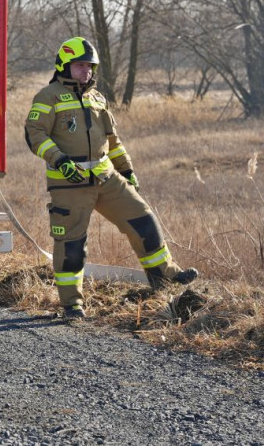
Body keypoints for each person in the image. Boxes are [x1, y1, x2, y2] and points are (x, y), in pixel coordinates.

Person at [23, 37, 198, 319]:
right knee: (72, 246)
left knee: (144, 221)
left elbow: (113, 140)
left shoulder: (97, 98)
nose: (87, 71)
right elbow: (35, 135)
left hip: (107, 178)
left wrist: (126, 170)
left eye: (90, 67)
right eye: (80, 66)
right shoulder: (48, 96)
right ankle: (72, 305)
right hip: (70, 184)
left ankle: (166, 278)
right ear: (64, 66)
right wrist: (60, 161)